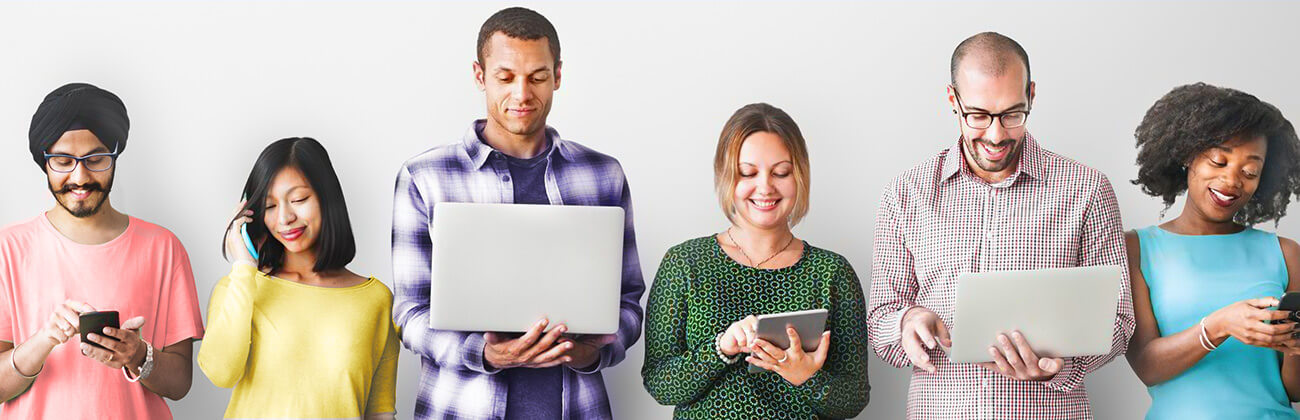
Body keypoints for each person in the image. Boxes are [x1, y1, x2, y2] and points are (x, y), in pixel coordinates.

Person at [391, 7, 645, 419]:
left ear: (558, 75)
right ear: (480, 76)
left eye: (538, 77)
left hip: (577, 408)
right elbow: (410, 312)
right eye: (505, 78)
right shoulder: (425, 177)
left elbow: (629, 300)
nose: (522, 95)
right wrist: (486, 354)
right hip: (460, 408)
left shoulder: (603, 174)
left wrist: (590, 353)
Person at [865, 32, 1134, 418]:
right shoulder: (906, 193)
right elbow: (880, 324)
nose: (995, 135)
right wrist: (907, 323)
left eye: (1012, 114)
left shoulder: (1087, 190)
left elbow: (1120, 321)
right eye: (978, 115)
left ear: (1032, 96)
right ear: (952, 100)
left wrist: (1057, 369)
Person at [641, 103, 870, 419]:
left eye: (781, 172)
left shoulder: (832, 273)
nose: (765, 187)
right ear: (726, 176)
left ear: (799, 175)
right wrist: (721, 349)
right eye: (748, 172)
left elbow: (854, 398)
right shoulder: (684, 263)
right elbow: (659, 383)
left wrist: (806, 377)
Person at [0, 83, 205, 418]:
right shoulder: (7, 249)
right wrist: (43, 340)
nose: (79, 177)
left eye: (95, 159)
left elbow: (180, 384)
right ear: (45, 162)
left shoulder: (163, 248)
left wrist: (137, 355)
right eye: (63, 161)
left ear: (114, 155)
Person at [1123, 83, 1300, 419]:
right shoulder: (1136, 248)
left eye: (1250, 172)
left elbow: (1294, 390)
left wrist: (1295, 349)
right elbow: (1147, 365)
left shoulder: (1286, 253)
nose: (1232, 181)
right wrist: (1219, 325)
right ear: (1189, 154)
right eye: (1219, 160)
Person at [198, 137, 399, 419]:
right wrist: (244, 267)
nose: (284, 218)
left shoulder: (375, 299)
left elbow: (380, 412)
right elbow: (220, 372)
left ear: (326, 198)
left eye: (298, 200)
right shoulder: (238, 286)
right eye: (269, 206)